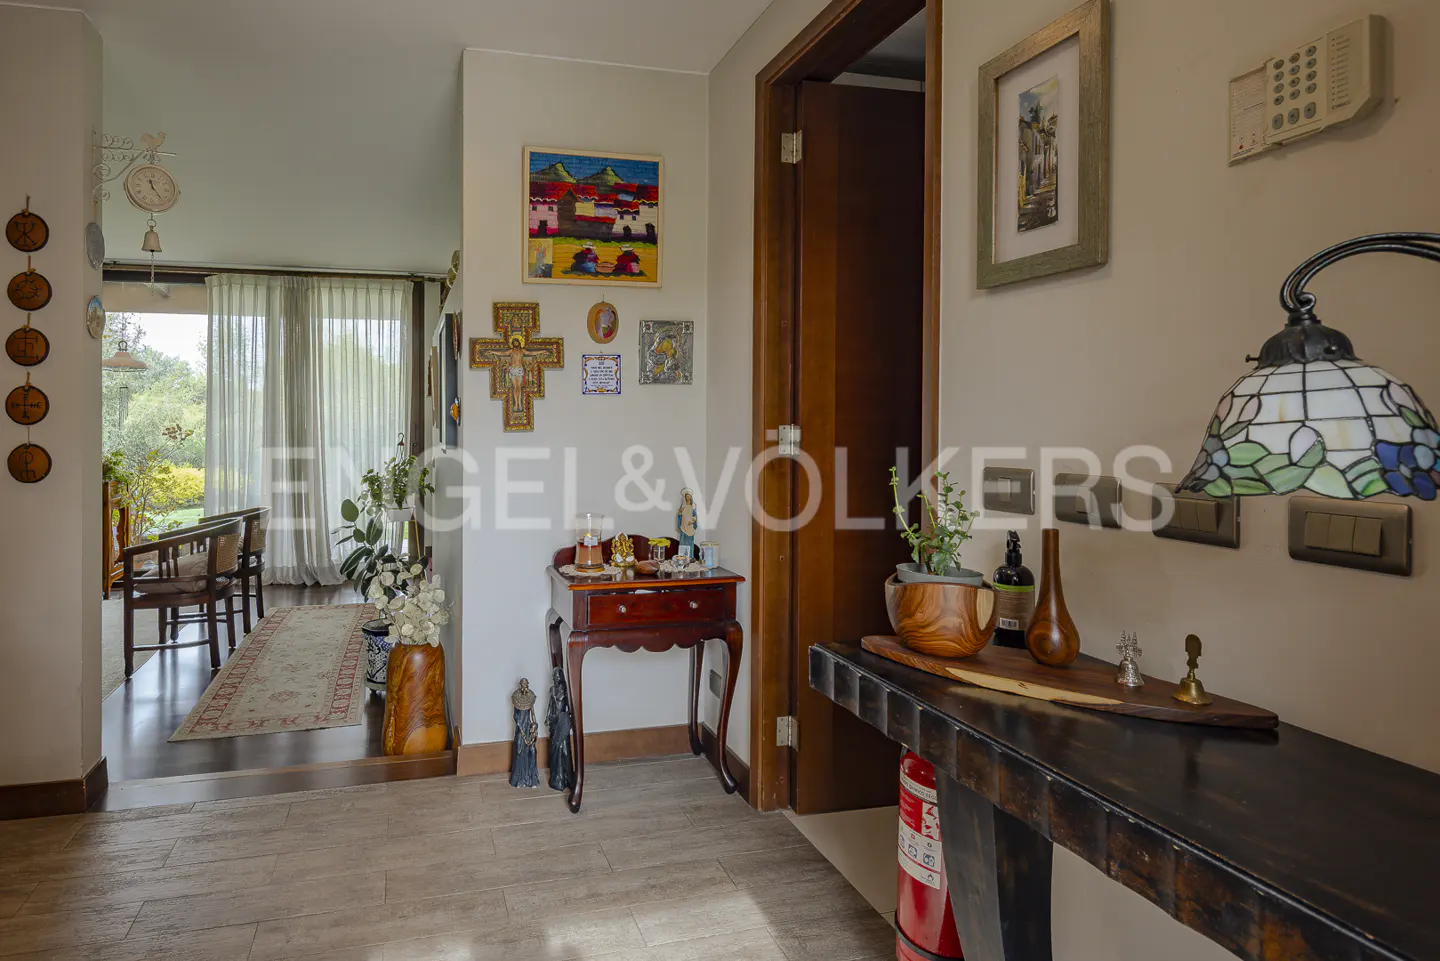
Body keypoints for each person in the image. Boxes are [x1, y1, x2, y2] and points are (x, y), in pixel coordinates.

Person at [545, 667, 575, 791]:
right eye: (554, 677)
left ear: (561, 677)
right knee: (555, 750)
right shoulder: (552, 690)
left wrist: (571, 721)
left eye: (557, 676)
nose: (555, 679)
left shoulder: (566, 691)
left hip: (563, 720)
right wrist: (547, 717)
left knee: (565, 750)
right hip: (554, 720)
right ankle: (557, 778)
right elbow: (550, 705)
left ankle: (568, 778)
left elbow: (571, 708)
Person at [509, 678, 540, 788]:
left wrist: (535, 724)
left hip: (528, 727)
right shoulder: (516, 698)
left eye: (526, 684)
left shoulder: (530, 698)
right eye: (523, 684)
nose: (524, 686)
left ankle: (530, 779)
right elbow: (515, 716)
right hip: (520, 727)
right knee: (519, 749)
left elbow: (532, 714)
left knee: (529, 751)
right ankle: (518, 779)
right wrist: (520, 728)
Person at [676, 488, 698, 560]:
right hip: (683, 527)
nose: (687, 497)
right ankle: (682, 557)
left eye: (688, 496)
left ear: (691, 497)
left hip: (690, 527)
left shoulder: (693, 506)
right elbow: (680, 515)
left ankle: (690, 557)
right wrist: (679, 513)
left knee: (689, 542)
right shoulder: (683, 506)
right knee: (683, 541)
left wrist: (693, 521)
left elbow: (695, 516)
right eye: (686, 496)